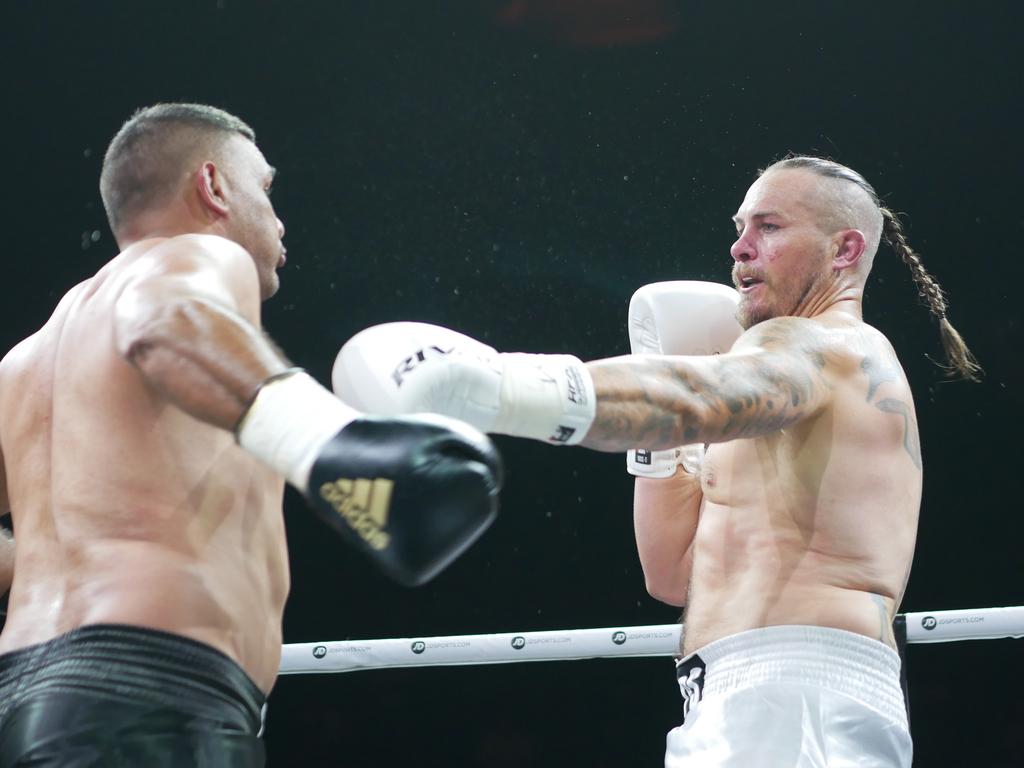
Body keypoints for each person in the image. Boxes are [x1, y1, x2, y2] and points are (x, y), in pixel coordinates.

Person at [332, 155, 980, 767]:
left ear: (845, 250)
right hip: (736, 691)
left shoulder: (832, 347)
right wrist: (665, 442)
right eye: (739, 228)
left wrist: (497, 386)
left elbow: (697, 395)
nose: (740, 247)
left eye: (770, 226)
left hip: (795, 692)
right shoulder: (792, 388)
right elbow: (674, 574)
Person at [0, 103, 502, 767]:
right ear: (213, 186)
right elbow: (165, 319)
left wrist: (48, 559)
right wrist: (333, 445)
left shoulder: (26, 362)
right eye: (265, 191)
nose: (280, 220)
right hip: (151, 694)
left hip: (31, 700)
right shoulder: (193, 257)